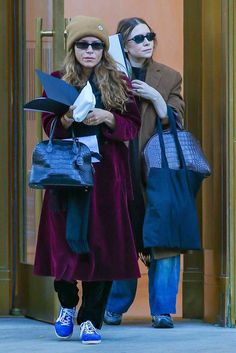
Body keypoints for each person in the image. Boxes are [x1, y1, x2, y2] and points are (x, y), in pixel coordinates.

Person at [33, 15, 141, 344]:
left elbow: (131, 127)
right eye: (83, 44)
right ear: (73, 48)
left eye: (96, 45)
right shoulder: (57, 79)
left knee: (102, 247)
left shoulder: (119, 82)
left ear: (103, 50)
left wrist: (108, 117)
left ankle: (91, 319)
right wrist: (66, 117)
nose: (89, 50)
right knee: (63, 245)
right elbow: (48, 127)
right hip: (66, 176)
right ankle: (67, 304)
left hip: (106, 176)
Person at [104, 17, 185, 329]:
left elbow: (177, 121)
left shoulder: (169, 77)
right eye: (138, 38)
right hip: (119, 166)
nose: (147, 42)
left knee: (164, 237)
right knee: (121, 233)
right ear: (124, 44)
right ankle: (114, 305)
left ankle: (162, 310)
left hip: (159, 168)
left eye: (150, 36)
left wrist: (154, 96)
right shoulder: (108, 76)